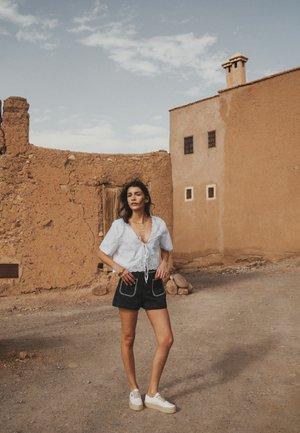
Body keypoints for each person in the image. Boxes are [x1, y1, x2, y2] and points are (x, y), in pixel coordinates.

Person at [98, 179, 176, 414]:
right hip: (129, 284)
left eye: (137, 194)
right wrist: (119, 268)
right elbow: (101, 252)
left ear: (146, 198)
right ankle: (134, 389)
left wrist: (164, 263)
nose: (133, 198)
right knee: (128, 339)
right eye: (130, 195)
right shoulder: (119, 226)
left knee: (166, 339)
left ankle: (152, 393)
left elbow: (166, 249)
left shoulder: (159, 224)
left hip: (153, 284)